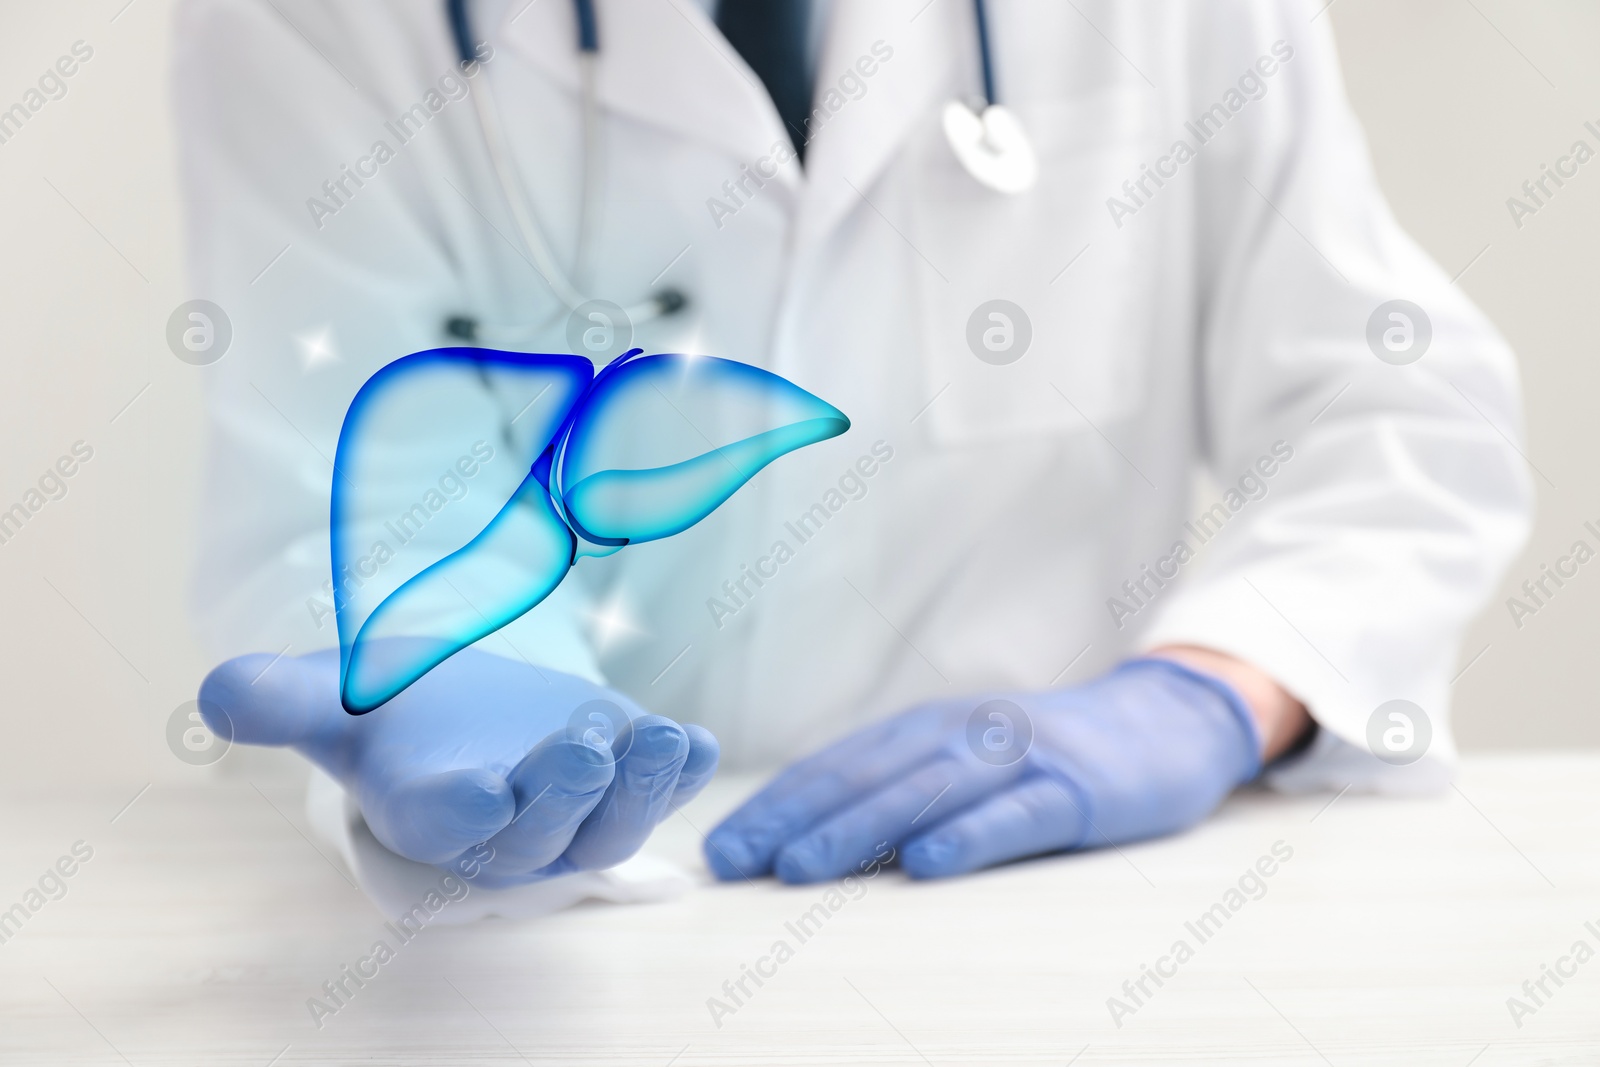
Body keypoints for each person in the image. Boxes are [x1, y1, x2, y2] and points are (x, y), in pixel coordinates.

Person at [178, 0, 1529, 915]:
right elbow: (343, 450)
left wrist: (1213, 691)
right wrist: (452, 674)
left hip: (1047, 913)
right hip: (550, 944)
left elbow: (1395, 414)